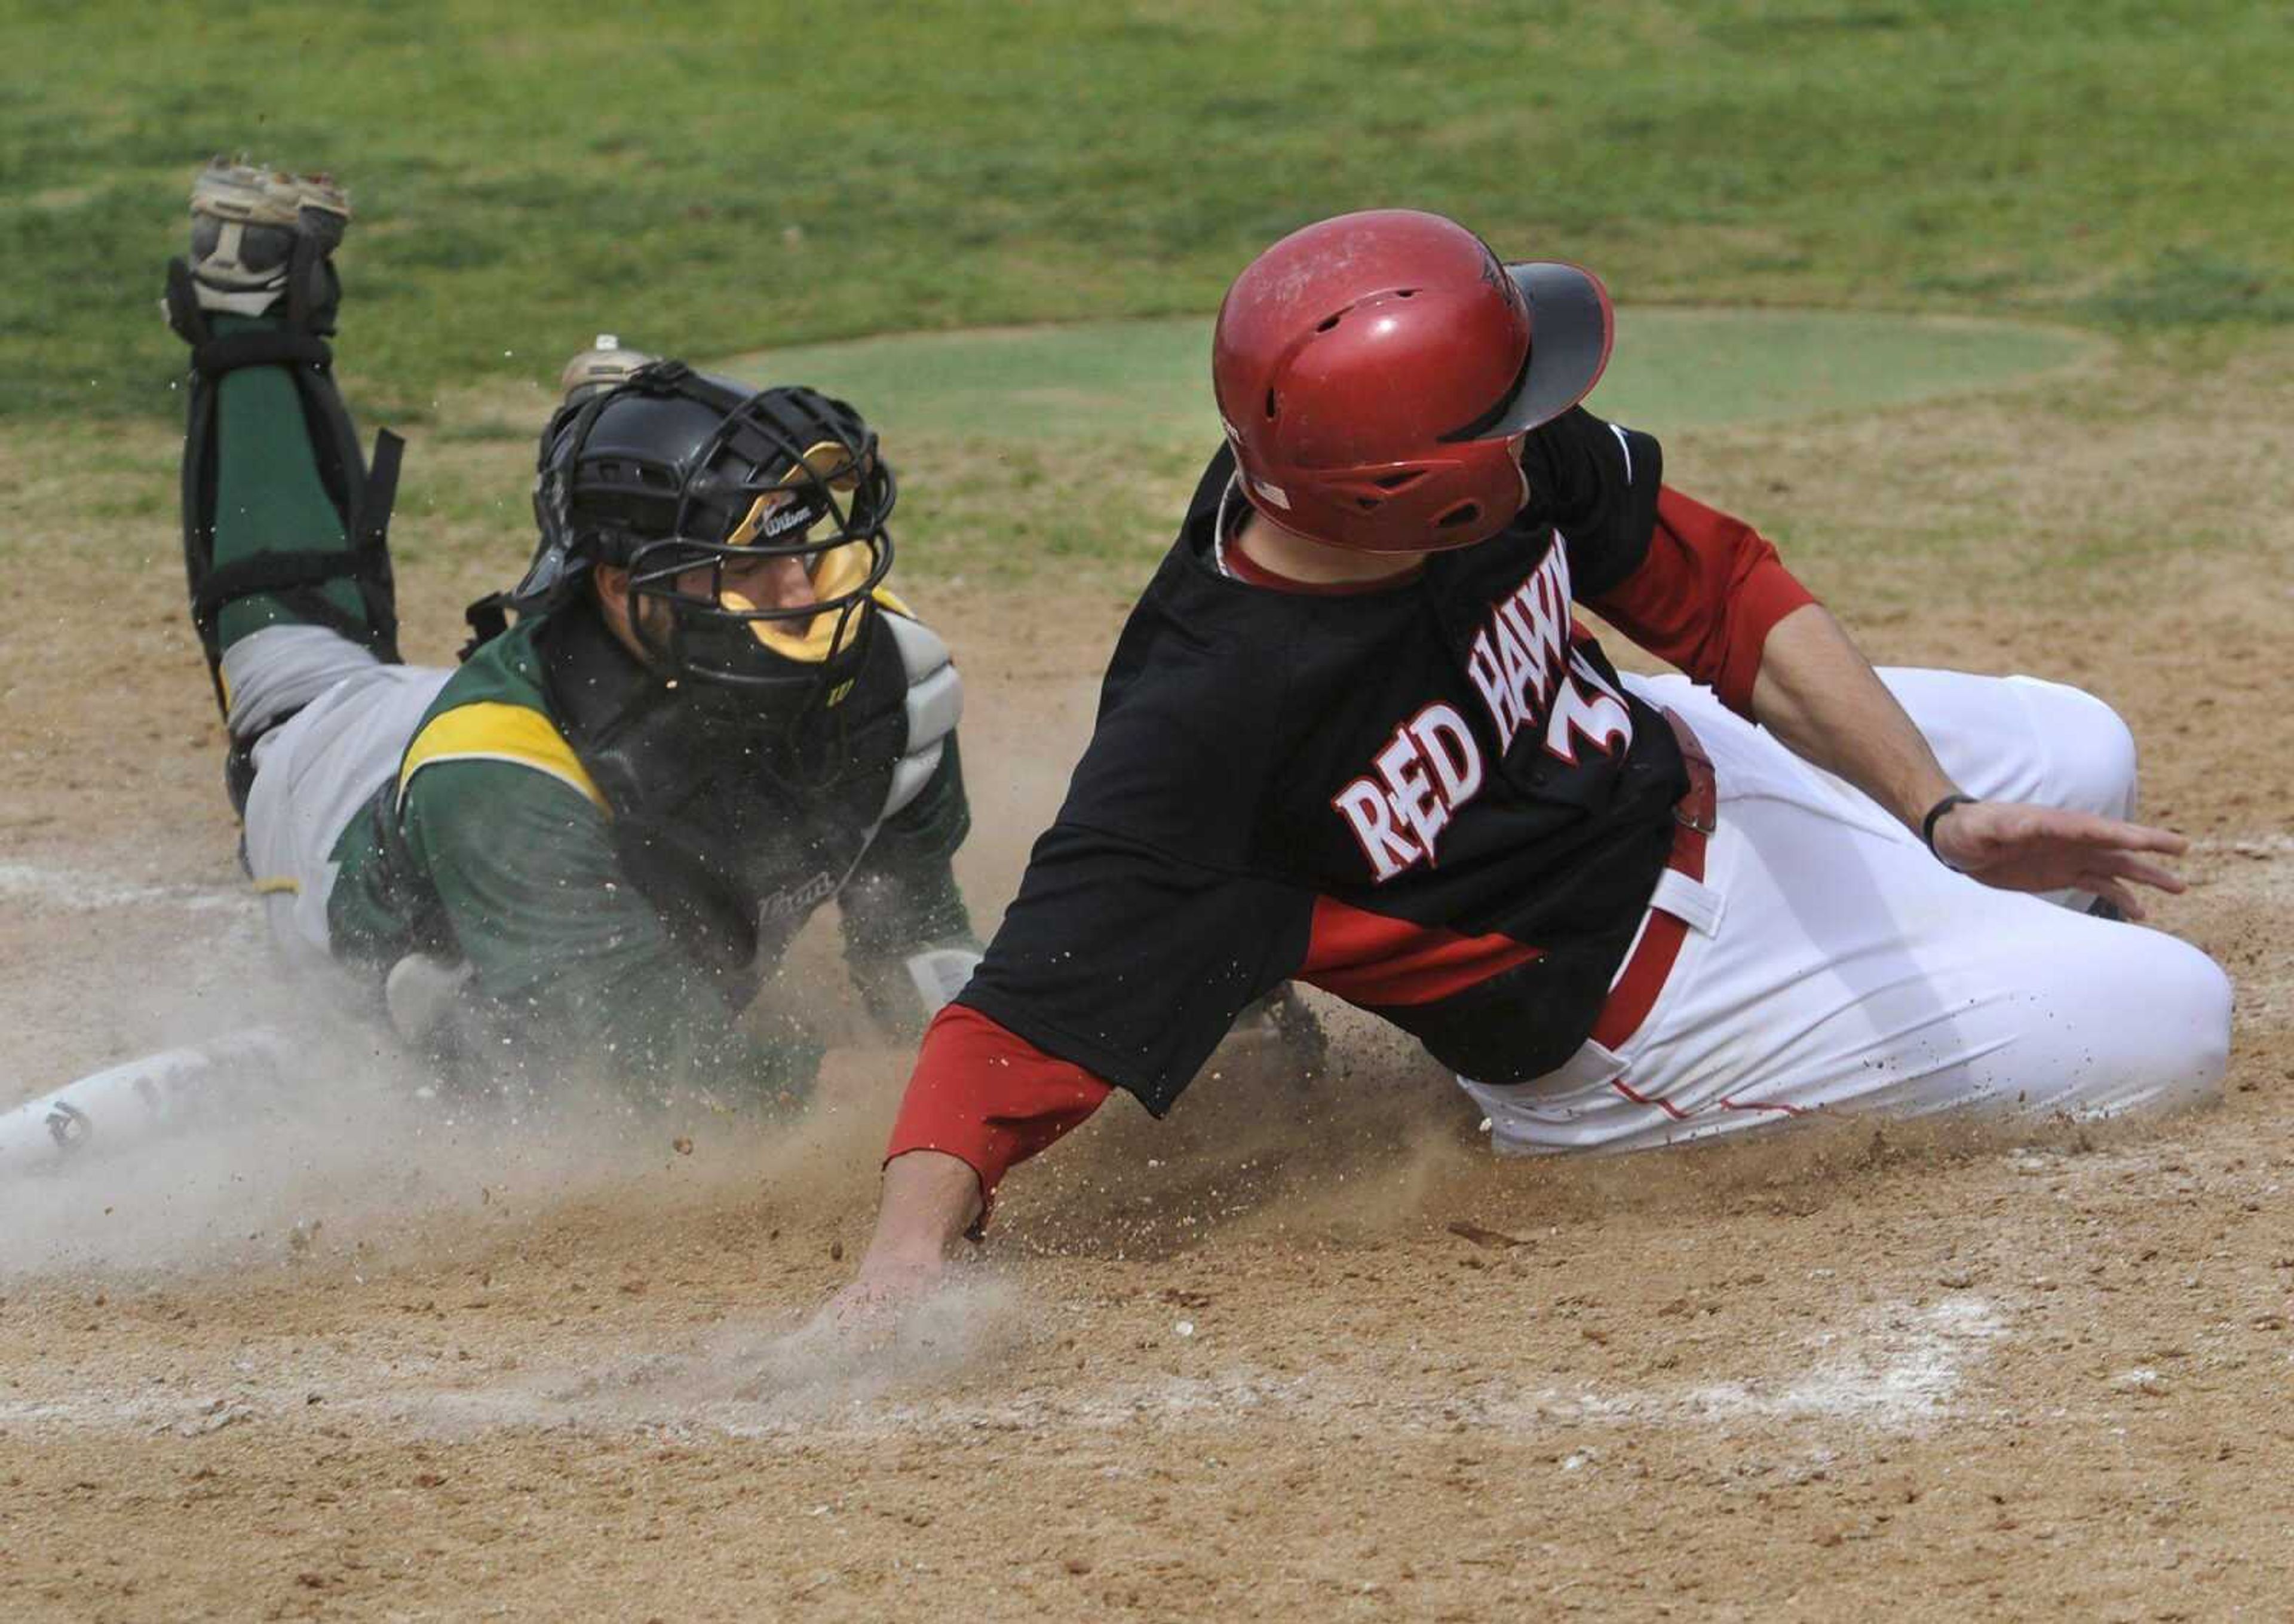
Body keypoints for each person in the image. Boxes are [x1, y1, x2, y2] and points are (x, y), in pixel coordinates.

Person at [818, 208, 2234, 1320]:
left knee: (2086, 745)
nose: (1537, 418)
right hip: (1655, 1006)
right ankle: (1957, 957)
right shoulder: (1210, 736)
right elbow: (1010, 1026)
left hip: (1683, 762)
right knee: (2176, 1014)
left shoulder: (1413, 460)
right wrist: (903, 1267)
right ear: (1418, 493)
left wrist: (1943, 812)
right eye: (1506, 410)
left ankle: (1964, 901)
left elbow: (1721, 589)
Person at [163, 160, 980, 1108]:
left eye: (810, 546)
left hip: (610, 689)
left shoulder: (881, 662)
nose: (808, 593)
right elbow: (682, 1080)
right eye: (752, 566)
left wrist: (1007, 1044)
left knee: (667, 665)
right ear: (625, 588)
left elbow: (918, 939)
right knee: (293, 669)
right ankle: (249, 299)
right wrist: (946, 1092)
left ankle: (615, 457)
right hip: (369, 785)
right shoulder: (497, 785)